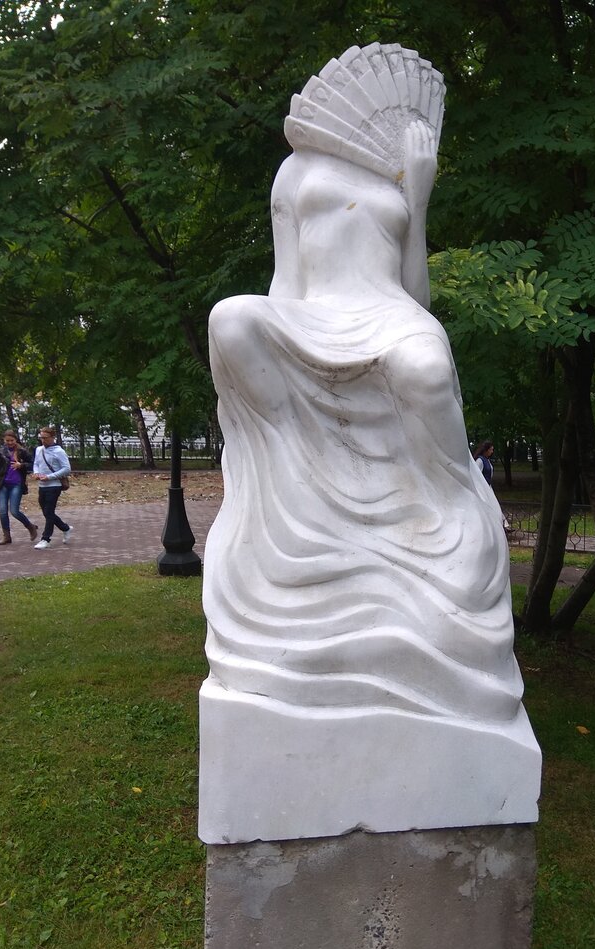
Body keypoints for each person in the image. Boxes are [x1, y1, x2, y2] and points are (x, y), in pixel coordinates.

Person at [202, 44, 522, 727]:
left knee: (425, 369)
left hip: (389, 314)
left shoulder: (403, 166)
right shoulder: (294, 171)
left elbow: (416, 294)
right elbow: (286, 279)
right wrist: (284, 333)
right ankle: (296, 476)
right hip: (314, 313)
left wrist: (418, 198)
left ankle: (454, 507)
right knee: (229, 318)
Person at [0, 429, 39, 545]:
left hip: (16, 484)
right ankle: (6, 536)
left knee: (14, 511)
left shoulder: (22, 452)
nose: (9, 442)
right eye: (7, 440)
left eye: (12, 440)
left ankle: (30, 526)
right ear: (4, 440)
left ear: (15, 440)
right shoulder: (0, 452)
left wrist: (21, 465)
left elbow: (33, 464)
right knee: (3, 511)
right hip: (3, 484)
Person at [32, 427, 73, 549]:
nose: (43, 440)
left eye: (45, 438)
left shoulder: (59, 451)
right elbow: (36, 463)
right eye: (41, 438)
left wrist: (50, 477)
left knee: (49, 511)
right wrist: (36, 473)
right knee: (46, 512)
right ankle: (65, 528)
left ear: (52, 437)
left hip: (54, 485)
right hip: (42, 485)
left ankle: (46, 539)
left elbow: (67, 469)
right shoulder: (39, 450)